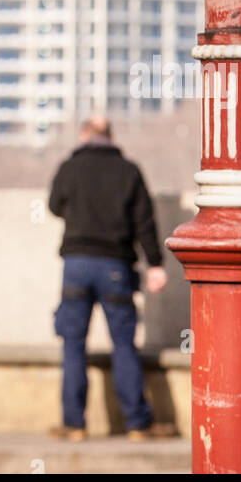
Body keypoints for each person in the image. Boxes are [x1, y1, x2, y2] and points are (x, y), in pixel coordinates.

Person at [48, 114, 172, 441]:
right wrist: (155, 264)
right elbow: (144, 220)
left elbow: (53, 206)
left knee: (73, 345)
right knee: (123, 344)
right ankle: (137, 425)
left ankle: (74, 425)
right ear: (111, 137)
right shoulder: (128, 170)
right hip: (115, 266)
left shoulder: (69, 168)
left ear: (83, 135)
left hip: (76, 264)